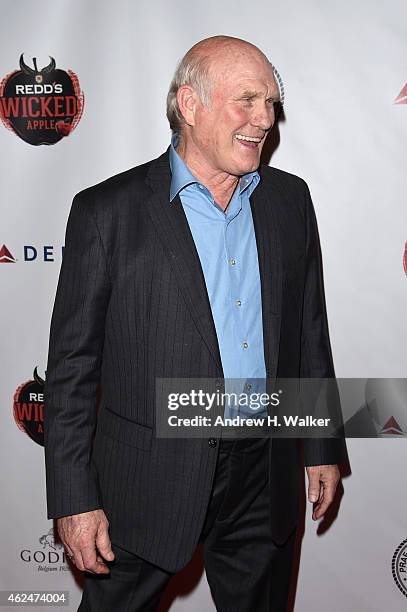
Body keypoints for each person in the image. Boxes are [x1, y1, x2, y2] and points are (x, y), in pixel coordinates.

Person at [44, 35, 348, 611]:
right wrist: (73, 497)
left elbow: (310, 333)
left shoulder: (289, 201)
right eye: (248, 101)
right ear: (190, 105)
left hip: (265, 472)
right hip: (146, 479)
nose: (265, 120)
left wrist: (321, 445)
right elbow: (72, 371)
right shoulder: (107, 212)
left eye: (272, 104)